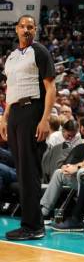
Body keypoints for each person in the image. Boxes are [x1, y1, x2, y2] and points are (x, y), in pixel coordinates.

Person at [0, 15, 56, 241]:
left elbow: (51, 87)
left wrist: (45, 119)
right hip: (14, 114)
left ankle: (34, 226)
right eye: (22, 26)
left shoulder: (40, 51)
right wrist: (4, 118)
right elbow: (10, 91)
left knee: (29, 171)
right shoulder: (12, 57)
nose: (26, 30)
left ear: (35, 30)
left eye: (30, 27)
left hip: (33, 111)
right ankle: (29, 223)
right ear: (16, 29)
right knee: (22, 171)